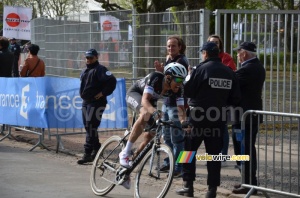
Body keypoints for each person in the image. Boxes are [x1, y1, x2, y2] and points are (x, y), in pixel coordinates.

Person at [176, 42, 240, 198]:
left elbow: (188, 90)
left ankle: (188, 186)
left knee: (188, 152)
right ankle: (212, 190)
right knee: (214, 155)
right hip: (218, 118)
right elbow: (235, 98)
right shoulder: (229, 72)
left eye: (202, 53)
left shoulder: (200, 69)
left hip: (197, 116)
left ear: (205, 53)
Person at [119, 62, 188, 188]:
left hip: (152, 100)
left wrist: (184, 122)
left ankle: (128, 169)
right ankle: (125, 152)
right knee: (145, 114)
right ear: (168, 77)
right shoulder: (156, 78)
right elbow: (145, 100)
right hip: (136, 94)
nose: (180, 83)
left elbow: (181, 109)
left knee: (150, 135)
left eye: (182, 80)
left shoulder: (179, 88)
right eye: (178, 79)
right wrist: (155, 112)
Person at [231, 42, 265, 194]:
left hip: (246, 117)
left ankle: (249, 183)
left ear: (244, 53)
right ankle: (248, 181)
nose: (237, 56)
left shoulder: (248, 69)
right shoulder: (256, 66)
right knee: (243, 149)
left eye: (238, 53)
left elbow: (232, 81)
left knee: (245, 150)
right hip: (247, 116)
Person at [154, 35, 189, 177]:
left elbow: (177, 82)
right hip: (167, 103)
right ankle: (169, 161)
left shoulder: (181, 60)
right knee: (166, 135)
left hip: (177, 103)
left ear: (179, 47)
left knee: (178, 137)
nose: (170, 48)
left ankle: (180, 166)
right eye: (168, 46)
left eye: (173, 46)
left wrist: (163, 72)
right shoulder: (169, 59)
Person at [77, 49, 117, 165]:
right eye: (87, 58)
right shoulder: (85, 70)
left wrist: (103, 93)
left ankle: (87, 153)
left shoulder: (100, 70)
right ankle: (97, 148)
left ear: (96, 57)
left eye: (91, 58)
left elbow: (112, 81)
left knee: (90, 125)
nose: (88, 60)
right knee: (88, 126)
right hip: (86, 102)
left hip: (96, 103)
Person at [207, 34, 237, 167]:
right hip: (206, 102)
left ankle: (222, 156)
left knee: (222, 128)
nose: (214, 45)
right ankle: (185, 169)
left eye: (216, 43)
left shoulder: (226, 57)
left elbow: (230, 74)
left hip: (221, 100)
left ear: (220, 45)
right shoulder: (205, 58)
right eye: (211, 42)